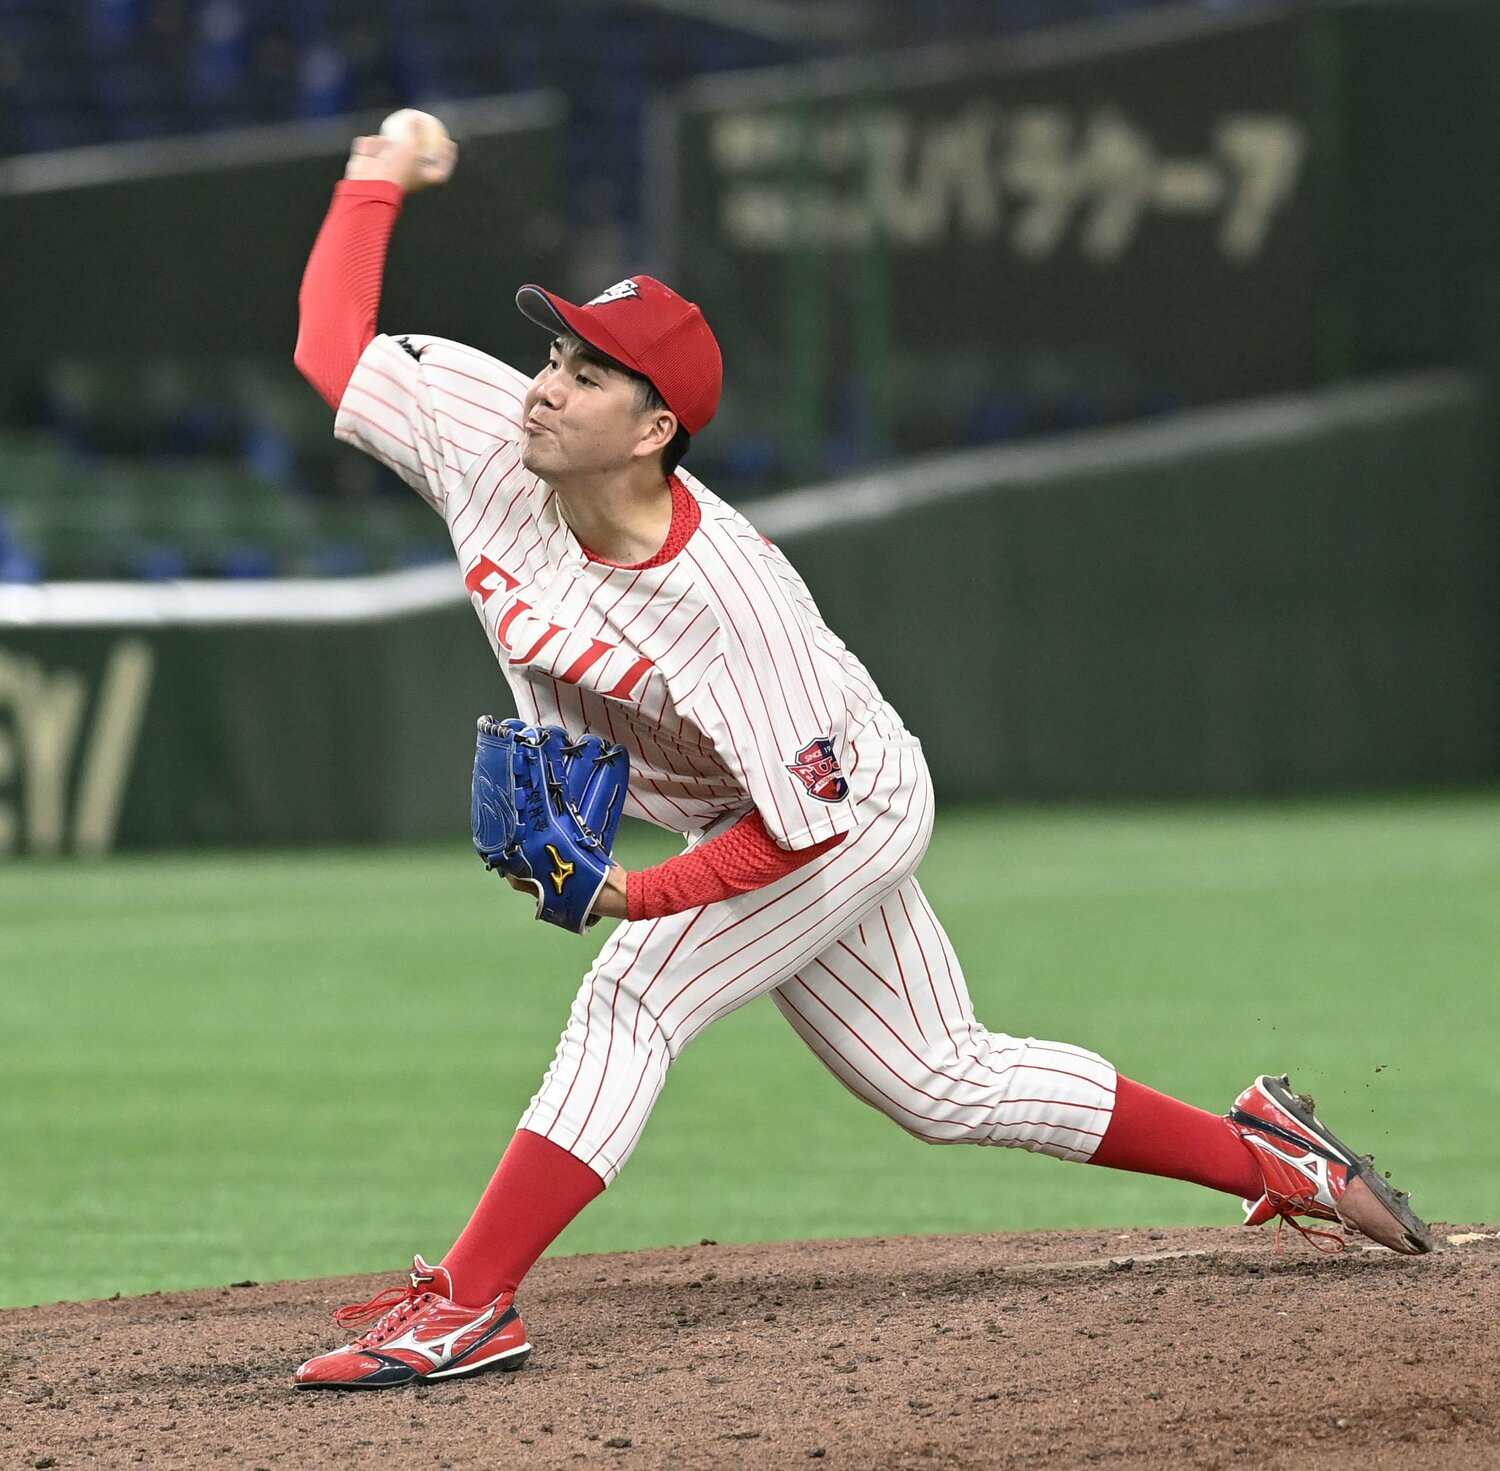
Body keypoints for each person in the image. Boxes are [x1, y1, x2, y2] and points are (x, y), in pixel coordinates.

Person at [289, 125, 1431, 1391]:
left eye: (589, 372)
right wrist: (378, 171)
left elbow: (795, 831)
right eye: (557, 352)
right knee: (943, 1080)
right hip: (755, 803)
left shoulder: (728, 601)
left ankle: (470, 1299)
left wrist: (629, 893)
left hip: (838, 804)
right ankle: (1272, 1154)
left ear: (656, 425)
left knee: (634, 991)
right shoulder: (489, 434)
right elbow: (331, 348)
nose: (547, 384)